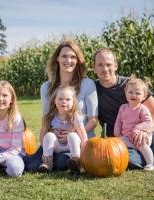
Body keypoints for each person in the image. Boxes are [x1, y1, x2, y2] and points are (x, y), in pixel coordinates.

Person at [24, 40, 98, 172]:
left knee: (62, 162)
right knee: (31, 165)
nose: (68, 60)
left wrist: (73, 132)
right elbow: (46, 118)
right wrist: (44, 141)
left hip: (78, 141)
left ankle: (74, 160)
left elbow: (93, 120)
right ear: (57, 58)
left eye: (73, 57)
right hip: (55, 141)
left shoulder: (88, 84)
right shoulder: (46, 87)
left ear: (78, 60)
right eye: (64, 56)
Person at [93, 48, 154, 169]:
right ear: (94, 67)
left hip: (145, 135)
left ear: (116, 66)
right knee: (129, 161)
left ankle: (152, 157)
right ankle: (151, 160)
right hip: (119, 142)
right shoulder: (92, 89)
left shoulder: (131, 85)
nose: (105, 69)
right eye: (100, 65)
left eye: (108, 64)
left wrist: (145, 131)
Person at [39, 85, 87, 173]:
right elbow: (42, 135)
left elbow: (83, 136)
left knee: (73, 135)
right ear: (54, 101)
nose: (64, 102)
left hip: (71, 146)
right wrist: (44, 149)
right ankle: (47, 162)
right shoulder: (49, 117)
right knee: (49, 135)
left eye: (68, 99)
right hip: (56, 146)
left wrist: (85, 151)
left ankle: (76, 160)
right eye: (60, 99)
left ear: (73, 102)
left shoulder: (76, 117)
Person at [114, 75, 154, 171]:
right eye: (131, 92)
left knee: (143, 146)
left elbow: (148, 122)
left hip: (140, 136)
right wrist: (117, 132)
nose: (133, 95)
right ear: (125, 93)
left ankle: (150, 163)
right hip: (126, 136)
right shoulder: (123, 108)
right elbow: (119, 121)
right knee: (119, 144)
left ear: (144, 96)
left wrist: (137, 128)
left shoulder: (142, 109)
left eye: (138, 93)